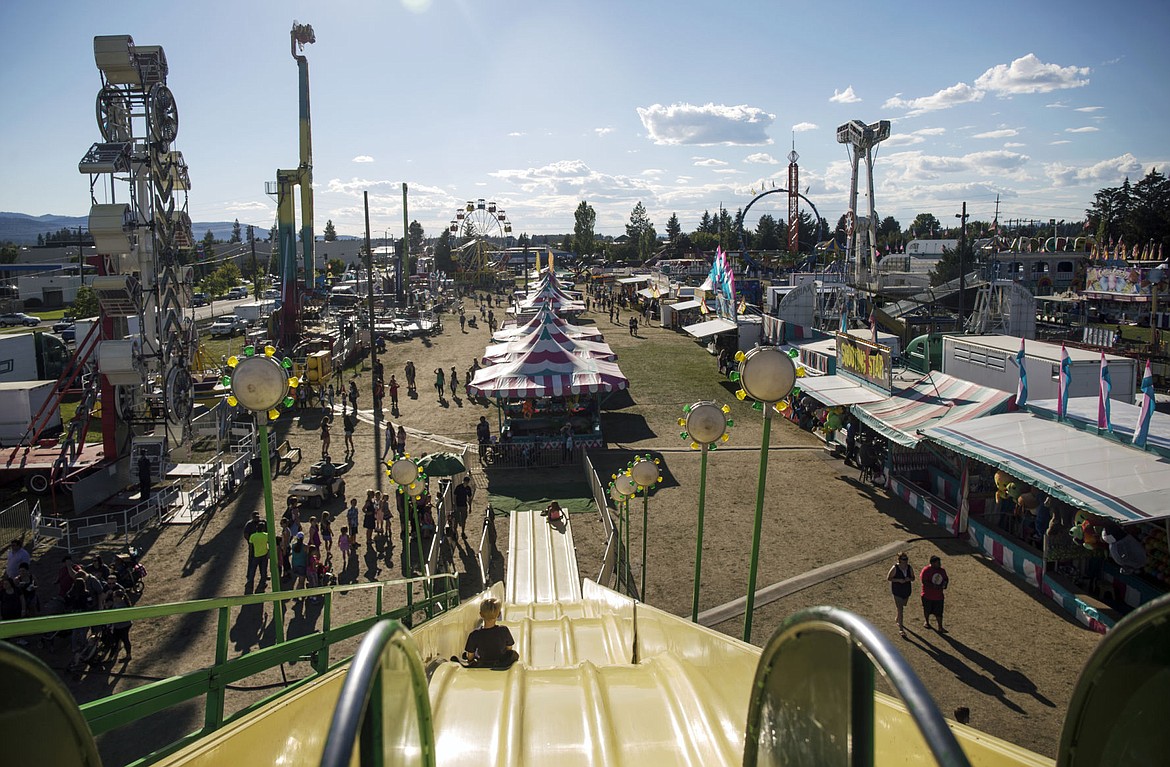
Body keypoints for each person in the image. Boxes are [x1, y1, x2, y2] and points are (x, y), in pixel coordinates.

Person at [459, 597, 518, 668]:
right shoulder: (504, 630)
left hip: (483, 662)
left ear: (481, 614)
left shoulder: (475, 634)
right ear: (499, 614)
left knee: (465, 656)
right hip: (500, 663)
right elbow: (509, 649)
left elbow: (470, 656)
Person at [886, 552, 914, 638]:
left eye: (906, 559)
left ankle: (898, 618)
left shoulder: (909, 568)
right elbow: (889, 578)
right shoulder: (895, 568)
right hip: (897, 591)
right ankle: (901, 629)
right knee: (901, 609)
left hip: (906, 591)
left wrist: (909, 578)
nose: (905, 561)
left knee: (902, 606)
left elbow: (913, 578)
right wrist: (898, 580)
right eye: (904, 559)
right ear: (899, 560)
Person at [920, 555, 950, 633]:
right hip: (927, 595)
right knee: (927, 610)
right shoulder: (926, 570)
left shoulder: (942, 571)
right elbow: (924, 581)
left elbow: (946, 579)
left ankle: (940, 627)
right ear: (932, 563)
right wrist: (933, 586)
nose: (939, 564)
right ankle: (927, 622)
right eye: (937, 563)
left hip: (939, 597)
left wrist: (944, 584)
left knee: (939, 613)